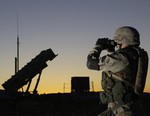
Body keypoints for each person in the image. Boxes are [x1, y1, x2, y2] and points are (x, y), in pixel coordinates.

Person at [86, 26, 149, 116]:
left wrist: (98, 46)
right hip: (132, 106)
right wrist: (112, 50)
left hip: (122, 110)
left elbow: (91, 63)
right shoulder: (136, 55)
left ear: (121, 39)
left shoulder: (121, 58)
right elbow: (119, 69)